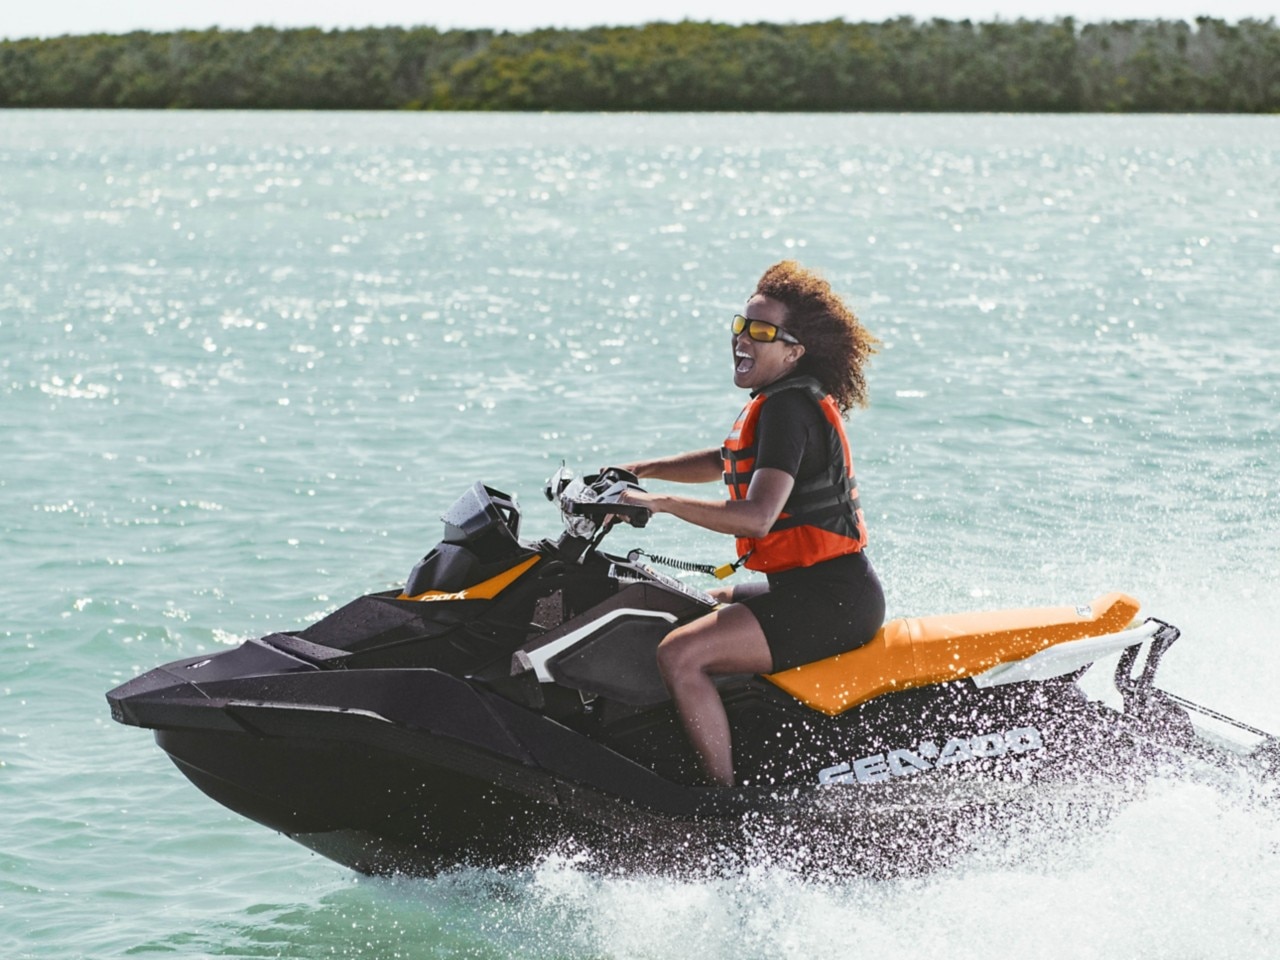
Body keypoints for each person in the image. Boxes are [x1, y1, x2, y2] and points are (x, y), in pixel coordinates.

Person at [617, 261, 885, 787]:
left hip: (828, 600)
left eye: (761, 332)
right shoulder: (779, 403)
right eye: (740, 326)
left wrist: (659, 503)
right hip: (815, 588)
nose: (743, 338)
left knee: (681, 653)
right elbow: (723, 461)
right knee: (690, 603)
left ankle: (722, 797)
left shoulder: (789, 408)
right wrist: (638, 471)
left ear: (793, 352)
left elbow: (757, 517)